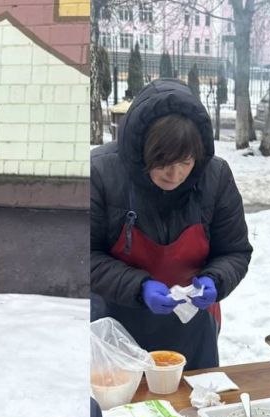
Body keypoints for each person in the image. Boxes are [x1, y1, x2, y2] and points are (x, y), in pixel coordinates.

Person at [91, 79, 252, 370]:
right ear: (143, 151)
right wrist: (139, 287)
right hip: (117, 323)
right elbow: (85, 256)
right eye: (163, 161)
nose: (174, 174)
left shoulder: (215, 178)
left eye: (186, 162)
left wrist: (216, 280)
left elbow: (235, 251)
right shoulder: (102, 173)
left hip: (192, 326)